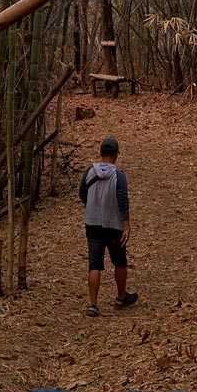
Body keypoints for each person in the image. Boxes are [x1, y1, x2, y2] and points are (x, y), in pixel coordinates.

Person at [79, 135, 137, 315]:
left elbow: (82, 193)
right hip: (114, 225)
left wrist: (92, 206)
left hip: (92, 224)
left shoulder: (90, 172)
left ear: (101, 153)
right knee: (120, 262)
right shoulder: (118, 177)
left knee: (94, 264)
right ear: (117, 154)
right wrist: (126, 225)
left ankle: (93, 304)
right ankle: (121, 297)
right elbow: (123, 201)